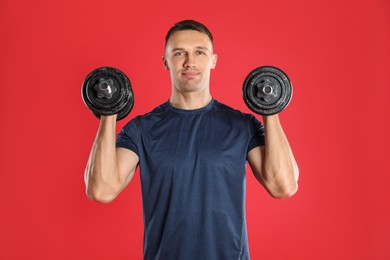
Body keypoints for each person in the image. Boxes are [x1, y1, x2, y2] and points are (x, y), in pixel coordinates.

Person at [84, 20, 299, 260]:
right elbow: (102, 190)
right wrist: (108, 113)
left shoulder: (242, 126)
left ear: (213, 60)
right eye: (179, 53)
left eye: (199, 52)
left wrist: (269, 111)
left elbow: (284, 186)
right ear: (165, 62)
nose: (190, 62)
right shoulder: (142, 129)